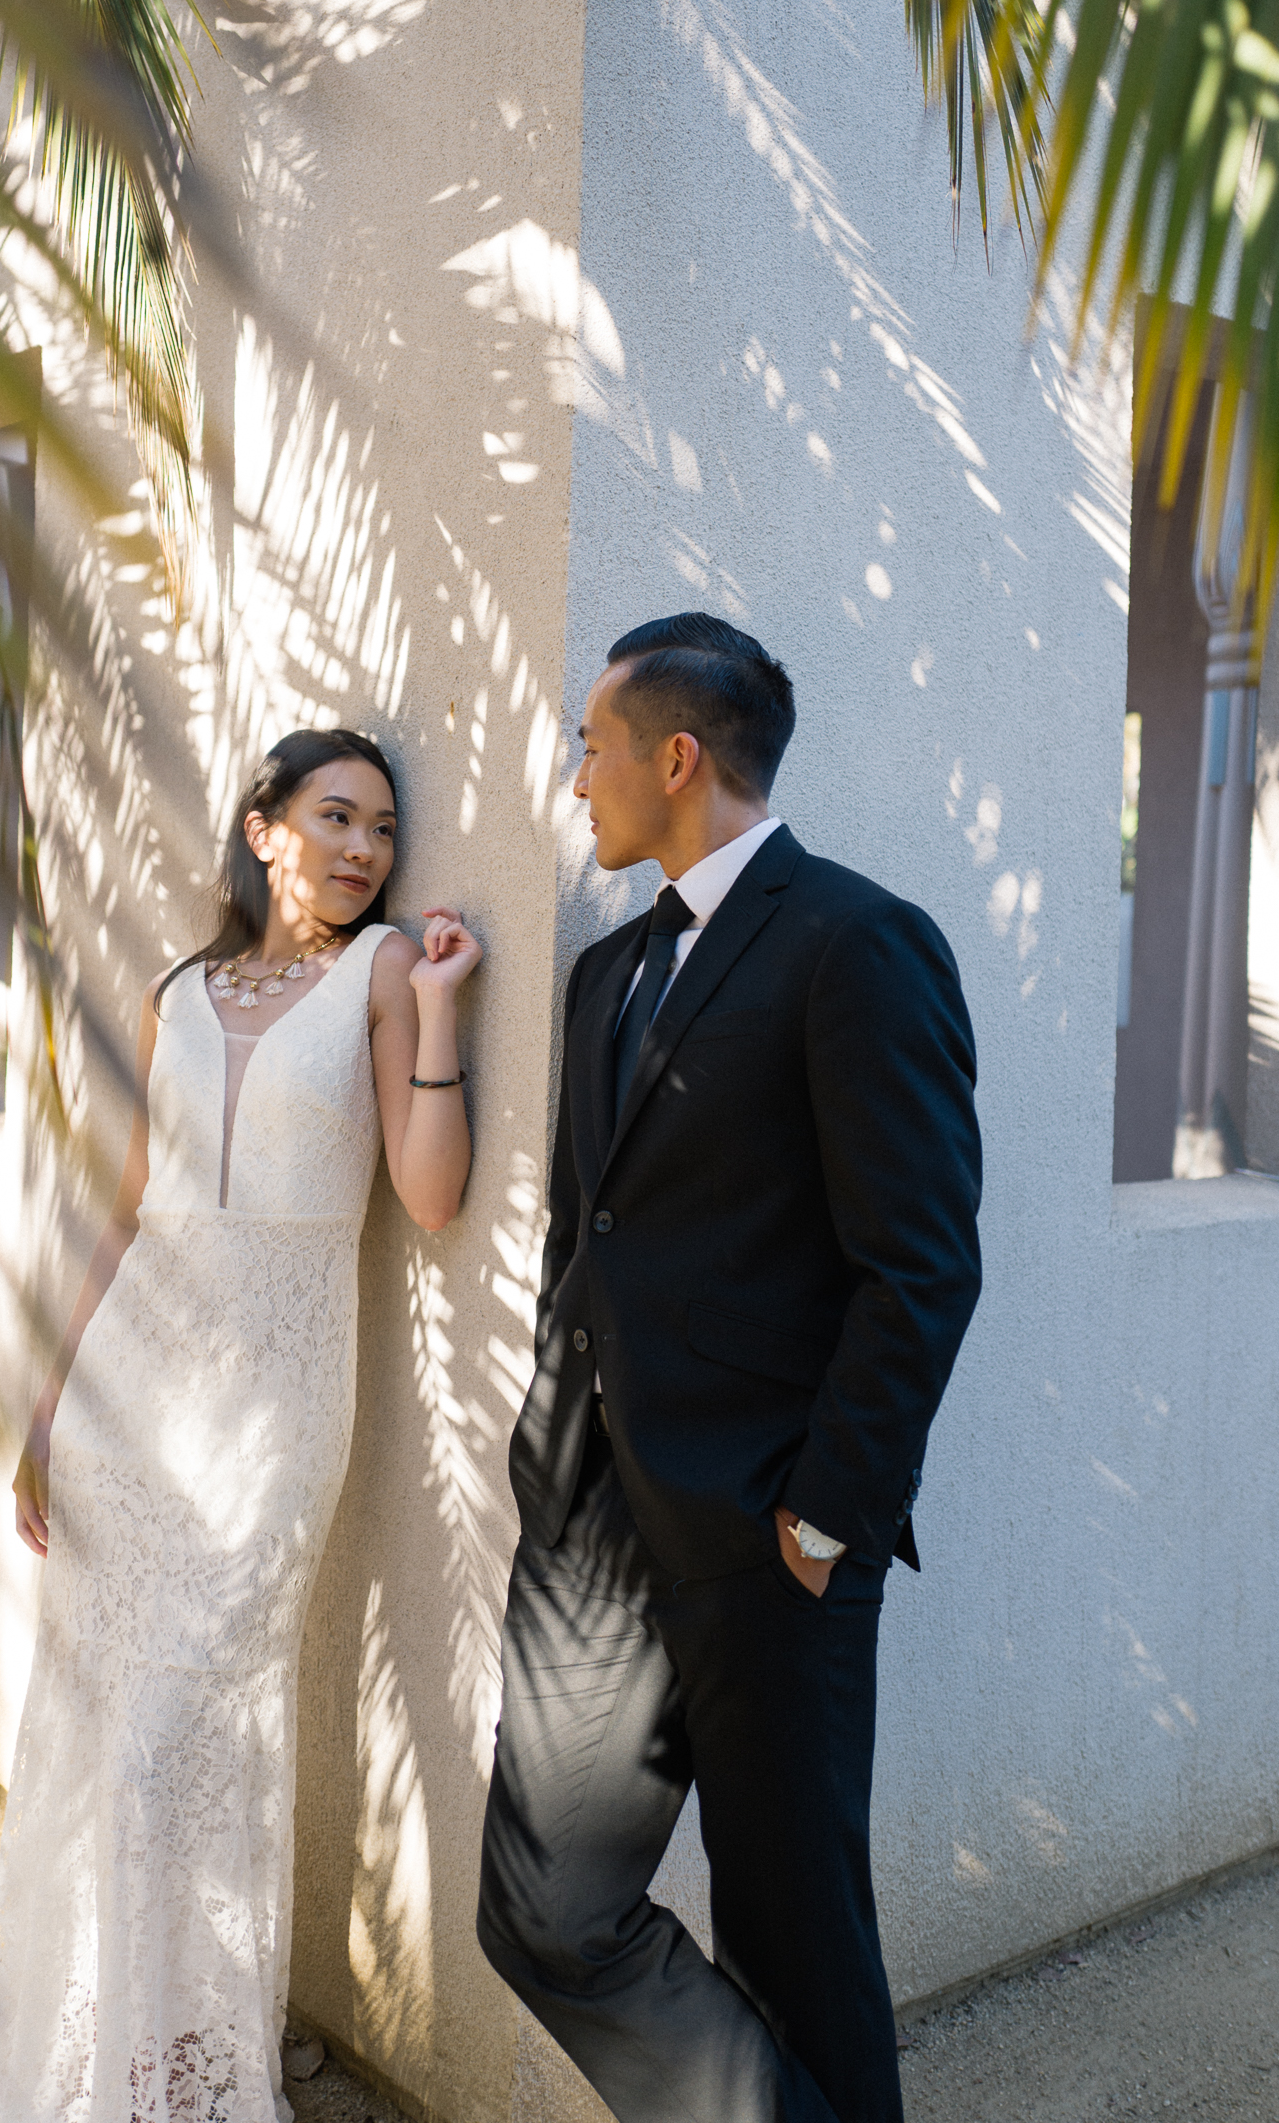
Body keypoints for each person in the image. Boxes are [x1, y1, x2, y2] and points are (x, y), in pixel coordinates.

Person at [0, 727, 481, 2123]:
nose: (365, 850)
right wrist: (49, 1408)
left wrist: (443, 1016)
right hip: (126, 1407)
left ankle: (183, 2065)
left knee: (183, 1733)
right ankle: (101, 2041)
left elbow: (428, 1198)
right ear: (262, 828)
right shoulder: (177, 991)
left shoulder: (387, 972)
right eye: (337, 817)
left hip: (272, 1414)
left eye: (383, 830)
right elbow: (126, 1210)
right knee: (99, 1729)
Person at [477, 614, 982, 2123]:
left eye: (593, 748)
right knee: (545, 1910)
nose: (578, 779)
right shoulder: (605, 973)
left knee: (795, 1942)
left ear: (678, 758)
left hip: (771, 1538)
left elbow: (920, 1265)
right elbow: (586, 1235)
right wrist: (549, 1446)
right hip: (590, 1524)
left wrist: (826, 1517)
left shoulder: (857, 942)